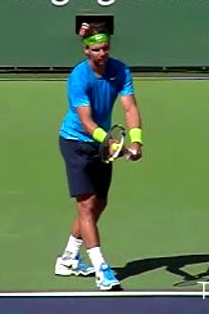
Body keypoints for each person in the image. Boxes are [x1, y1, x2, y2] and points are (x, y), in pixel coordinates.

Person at [54, 22, 144, 291]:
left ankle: (68, 258)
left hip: (102, 144)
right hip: (76, 143)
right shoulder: (78, 77)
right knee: (85, 205)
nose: (102, 54)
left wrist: (136, 140)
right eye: (96, 50)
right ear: (86, 51)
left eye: (105, 48)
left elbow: (130, 108)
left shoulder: (121, 70)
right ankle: (101, 268)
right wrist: (111, 142)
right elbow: (86, 122)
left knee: (98, 204)